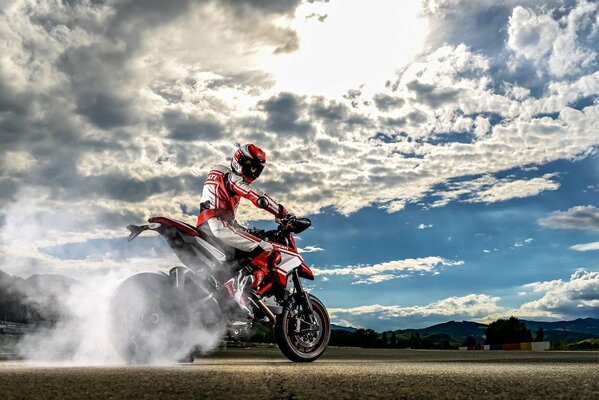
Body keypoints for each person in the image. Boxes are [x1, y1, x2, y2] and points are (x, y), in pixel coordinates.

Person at [196, 144, 288, 317]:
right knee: (268, 249)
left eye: (256, 169)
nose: (252, 171)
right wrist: (282, 212)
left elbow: (222, 210)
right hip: (218, 225)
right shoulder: (230, 176)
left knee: (238, 258)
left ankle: (223, 293)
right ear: (239, 160)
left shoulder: (217, 175)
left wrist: (247, 230)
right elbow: (255, 195)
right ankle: (239, 288)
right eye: (250, 165)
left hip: (206, 226)